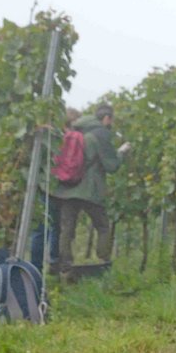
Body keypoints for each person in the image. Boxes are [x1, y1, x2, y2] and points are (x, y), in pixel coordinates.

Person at [53, 103, 131, 278]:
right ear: (107, 118)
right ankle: (103, 262)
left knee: (66, 229)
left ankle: (64, 267)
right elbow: (111, 165)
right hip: (90, 189)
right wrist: (121, 152)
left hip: (67, 187)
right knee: (103, 226)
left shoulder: (74, 129)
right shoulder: (100, 134)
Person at [29, 107, 82, 273]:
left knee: (40, 228)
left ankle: (35, 268)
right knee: (57, 227)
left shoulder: (50, 134)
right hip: (66, 188)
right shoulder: (78, 138)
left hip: (47, 185)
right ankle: (54, 262)